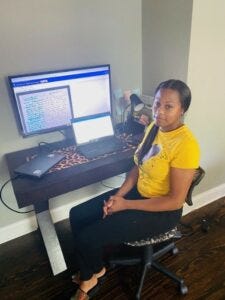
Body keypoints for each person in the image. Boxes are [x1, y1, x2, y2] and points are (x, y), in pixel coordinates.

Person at [69, 79, 200, 300]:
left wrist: (125, 205)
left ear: (182, 109)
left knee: (88, 237)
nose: (159, 111)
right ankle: (95, 269)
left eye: (169, 106)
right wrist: (118, 196)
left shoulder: (186, 145)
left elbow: (175, 201)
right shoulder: (153, 127)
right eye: (157, 103)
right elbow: (137, 168)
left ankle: (89, 277)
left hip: (161, 211)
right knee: (77, 215)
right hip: (137, 194)